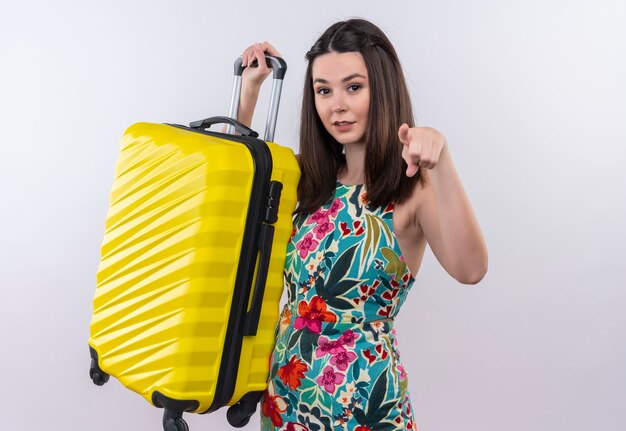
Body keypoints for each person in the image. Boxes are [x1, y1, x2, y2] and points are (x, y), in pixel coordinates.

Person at [238, 19, 488, 431]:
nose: (337, 104)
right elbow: (239, 197)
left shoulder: (412, 189)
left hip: (365, 405)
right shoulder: (307, 182)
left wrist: (441, 159)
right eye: (324, 90)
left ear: (383, 88)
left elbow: (471, 269)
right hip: (286, 398)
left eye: (354, 87)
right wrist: (250, 91)